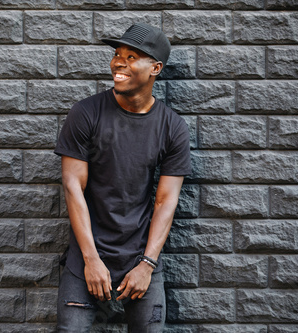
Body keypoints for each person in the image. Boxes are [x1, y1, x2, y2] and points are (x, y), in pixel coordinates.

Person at [54, 22, 191, 333]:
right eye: (118, 54)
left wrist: (147, 265)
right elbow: (73, 186)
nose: (119, 62)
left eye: (132, 57)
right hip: (86, 256)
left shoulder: (172, 127)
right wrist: (91, 259)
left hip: (141, 257)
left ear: (155, 68)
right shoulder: (86, 114)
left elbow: (166, 200)